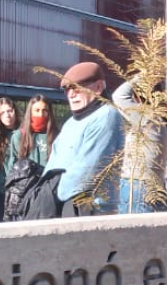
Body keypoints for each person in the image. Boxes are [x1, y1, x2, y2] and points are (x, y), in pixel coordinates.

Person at [43, 62, 123, 216]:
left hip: (93, 207)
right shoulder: (71, 122)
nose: (71, 95)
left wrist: (51, 193)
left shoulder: (106, 116)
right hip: (66, 204)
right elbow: (54, 162)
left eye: (77, 88)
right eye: (67, 90)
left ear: (98, 87)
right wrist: (44, 192)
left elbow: (86, 171)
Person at [112, 78, 167, 213]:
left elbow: (119, 96)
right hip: (153, 186)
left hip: (138, 186)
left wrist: (144, 74)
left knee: (133, 232)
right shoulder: (160, 121)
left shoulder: (146, 118)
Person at [8, 95, 58, 170]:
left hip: (50, 180)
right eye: (37, 110)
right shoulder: (19, 135)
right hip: (26, 181)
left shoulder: (57, 136)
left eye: (44, 111)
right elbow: (12, 165)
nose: (40, 114)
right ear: (30, 112)